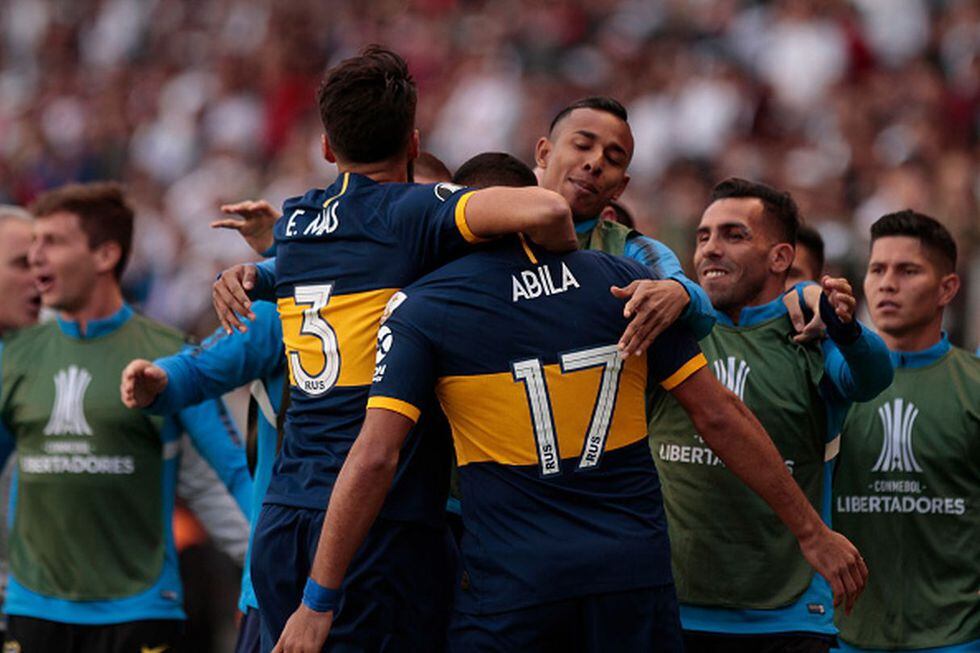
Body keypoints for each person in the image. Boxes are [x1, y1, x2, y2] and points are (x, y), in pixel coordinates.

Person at [271, 205, 868, 653]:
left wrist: (319, 600)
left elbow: (375, 455)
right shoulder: (622, 283)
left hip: (513, 587)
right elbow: (719, 414)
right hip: (629, 579)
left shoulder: (429, 306)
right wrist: (811, 531)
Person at [241, 45, 577, 652]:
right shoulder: (413, 212)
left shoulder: (294, 222)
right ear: (415, 142)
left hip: (284, 515)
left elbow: (293, 268)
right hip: (374, 525)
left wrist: (249, 275)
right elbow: (548, 207)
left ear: (327, 147)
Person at [0, 182, 252, 653]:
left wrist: (276, 577)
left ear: (105, 255)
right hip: (33, 610)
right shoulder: (14, 356)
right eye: (31, 245)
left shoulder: (171, 356)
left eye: (52, 242)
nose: (36, 258)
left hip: (138, 612)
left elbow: (234, 475)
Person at [647, 178, 893, 652]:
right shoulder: (673, 328)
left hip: (786, 618)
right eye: (703, 236)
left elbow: (873, 377)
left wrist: (842, 326)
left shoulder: (809, 337)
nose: (711, 248)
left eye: (734, 235)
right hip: (673, 608)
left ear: (780, 257)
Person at [833, 210, 979, 652]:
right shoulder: (832, 383)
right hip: (845, 637)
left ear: (947, 288)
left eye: (908, 270)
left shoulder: (973, 384)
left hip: (956, 639)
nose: (887, 283)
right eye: (877, 269)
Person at [121, 297, 285, 653]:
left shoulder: (164, 349)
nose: (37, 268)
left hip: (154, 600)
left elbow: (228, 478)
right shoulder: (22, 351)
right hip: (34, 604)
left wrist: (267, 565)